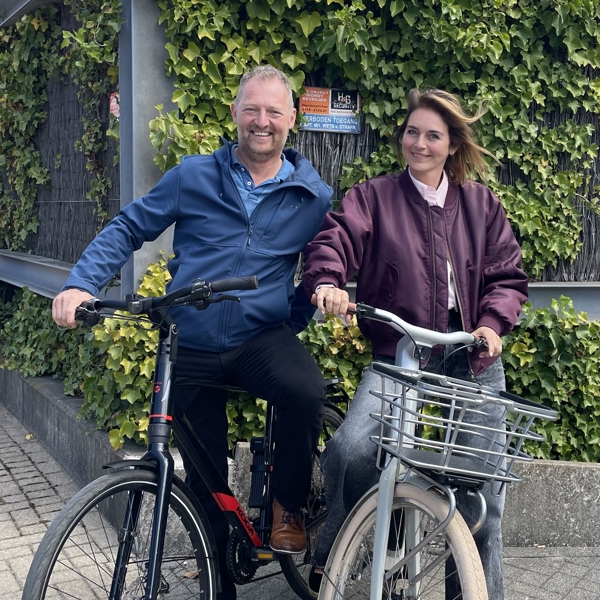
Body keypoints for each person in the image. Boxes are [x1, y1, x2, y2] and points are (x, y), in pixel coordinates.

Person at [52, 65, 333, 600]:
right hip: (191, 341)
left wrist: (292, 319)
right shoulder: (192, 175)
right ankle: (218, 585)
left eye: (274, 111)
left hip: (260, 340)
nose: (262, 121)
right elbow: (130, 227)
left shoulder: (312, 196)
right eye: (251, 108)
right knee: (206, 485)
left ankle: (286, 506)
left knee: (305, 392)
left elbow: (324, 264)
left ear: (292, 120)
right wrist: (81, 283)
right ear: (234, 113)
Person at [302, 88, 528, 599]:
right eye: (412, 132)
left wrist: (493, 324)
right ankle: (334, 552)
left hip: (471, 358)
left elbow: (507, 276)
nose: (419, 144)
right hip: (402, 353)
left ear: (452, 145)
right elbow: (335, 240)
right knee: (351, 449)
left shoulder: (480, 205)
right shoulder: (374, 197)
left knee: (481, 498)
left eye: (433, 135)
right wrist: (327, 282)